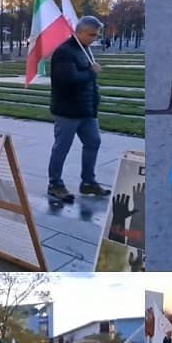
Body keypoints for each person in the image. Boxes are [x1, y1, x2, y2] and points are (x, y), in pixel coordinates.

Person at [47, 16, 111, 204]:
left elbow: (88, 82)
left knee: (93, 142)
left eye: (96, 35)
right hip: (67, 111)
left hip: (86, 111)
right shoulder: (64, 52)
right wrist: (91, 72)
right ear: (80, 32)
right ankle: (55, 184)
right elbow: (69, 81)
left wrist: (94, 102)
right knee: (62, 148)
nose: (94, 38)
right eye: (91, 34)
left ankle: (88, 182)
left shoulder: (85, 49)